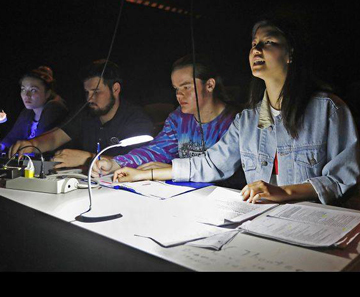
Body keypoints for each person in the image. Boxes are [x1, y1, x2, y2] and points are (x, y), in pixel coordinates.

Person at [103, 18, 360, 206]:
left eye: (268, 42)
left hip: (314, 224)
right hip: (260, 219)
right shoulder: (247, 121)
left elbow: (342, 179)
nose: (256, 50)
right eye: (253, 44)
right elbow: (211, 164)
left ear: (290, 53)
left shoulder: (328, 109)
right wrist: (142, 174)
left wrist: (285, 192)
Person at [92, 53, 244, 189]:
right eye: (176, 88)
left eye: (186, 87)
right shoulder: (178, 119)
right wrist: (115, 164)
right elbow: (156, 151)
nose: (179, 95)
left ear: (210, 85)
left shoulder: (236, 122)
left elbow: (221, 170)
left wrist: (167, 170)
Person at [9, 59, 154, 168]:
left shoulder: (136, 119)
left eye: (96, 92)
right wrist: (31, 144)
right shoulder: (84, 113)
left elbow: (140, 161)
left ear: (115, 89)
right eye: (87, 92)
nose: (90, 98)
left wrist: (88, 158)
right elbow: (55, 137)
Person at [1, 66, 68, 152]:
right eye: (23, 89)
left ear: (48, 93)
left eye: (33, 90)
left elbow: (42, 145)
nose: (26, 95)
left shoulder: (55, 108)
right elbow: (11, 138)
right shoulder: (28, 112)